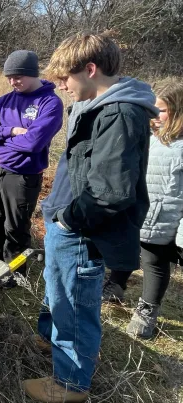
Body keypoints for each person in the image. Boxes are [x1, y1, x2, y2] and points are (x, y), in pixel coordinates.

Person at [23, 33, 159, 403]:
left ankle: (70, 384)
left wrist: (68, 220)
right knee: (56, 292)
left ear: (91, 69)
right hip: (65, 220)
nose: (61, 85)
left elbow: (110, 191)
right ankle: (49, 340)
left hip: (81, 230)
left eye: (66, 77)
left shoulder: (119, 113)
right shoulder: (93, 104)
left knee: (76, 305)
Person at [102, 80, 183, 338]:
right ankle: (116, 285)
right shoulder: (148, 136)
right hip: (137, 208)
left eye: (162, 110)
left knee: (153, 262)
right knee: (125, 247)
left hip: (164, 219)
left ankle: (147, 309)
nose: (155, 116)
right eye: (153, 109)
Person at [0, 50, 63, 271]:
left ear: (32, 74)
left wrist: (1, 140)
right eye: (9, 77)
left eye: (18, 76)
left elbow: (34, 143)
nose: (12, 82)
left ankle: (15, 272)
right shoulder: (3, 102)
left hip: (23, 175)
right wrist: (12, 131)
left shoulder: (50, 103)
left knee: (16, 227)